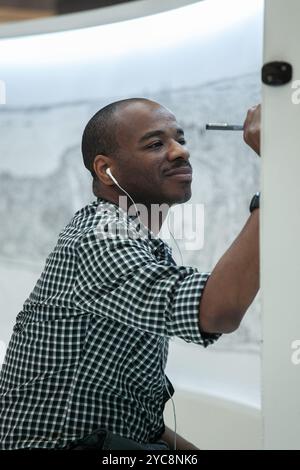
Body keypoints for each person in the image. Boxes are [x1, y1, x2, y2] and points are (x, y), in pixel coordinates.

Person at [0, 98, 260, 450]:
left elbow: (137, 418)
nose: (180, 152)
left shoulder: (140, 243)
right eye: (156, 144)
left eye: (180, 140)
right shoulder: (100, 236)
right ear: (106, 171)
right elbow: (216, 311)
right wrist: (280, 178)